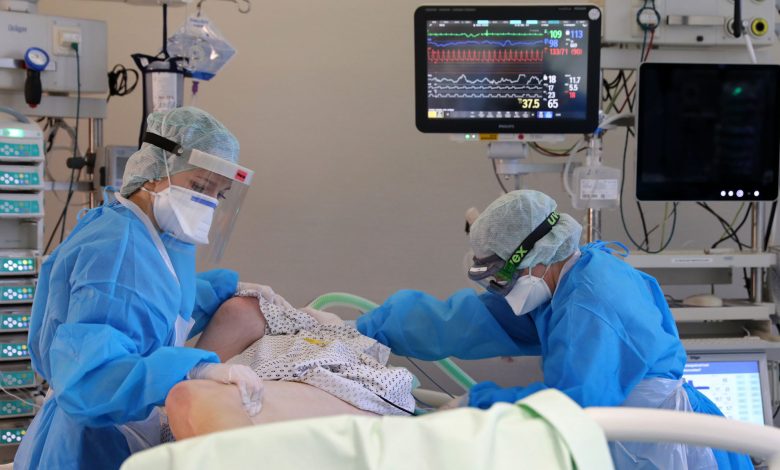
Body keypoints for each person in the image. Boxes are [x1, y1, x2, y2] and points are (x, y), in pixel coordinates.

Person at [355, 189, 753, 469]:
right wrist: (369, 329)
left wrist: (478, 404)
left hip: (669, 448)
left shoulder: (592, 302)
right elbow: (469, 321)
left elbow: (573, 404)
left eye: (502, 276)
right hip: (629, 437)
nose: (501, 289)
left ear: (535, 256)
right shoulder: (557, 284)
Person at [14, 107, 267, 470]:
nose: (208, 203)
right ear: (156, 171)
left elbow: (160, 307)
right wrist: (192, 370)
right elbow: (91, 378)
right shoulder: (115, 249)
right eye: (199, 186)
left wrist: (225, 290)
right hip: (90, 441)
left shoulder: (152, 234)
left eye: (219, 194)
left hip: (121, 429)